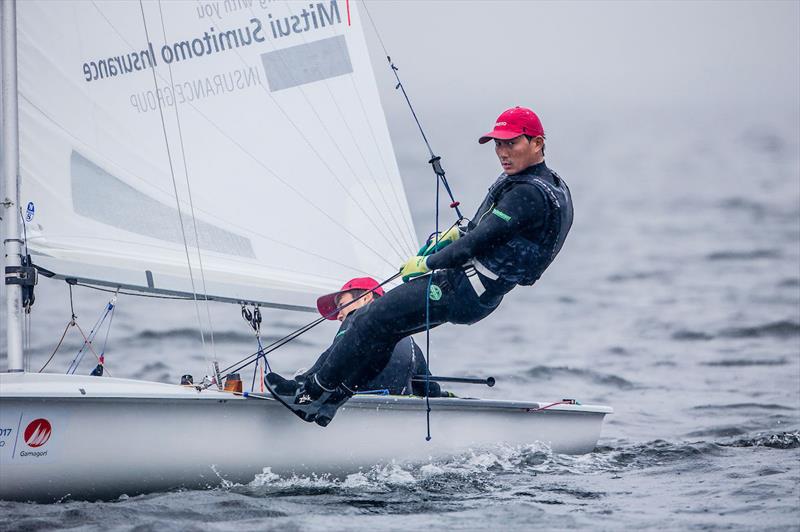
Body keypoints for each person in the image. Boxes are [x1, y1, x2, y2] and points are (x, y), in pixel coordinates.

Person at [266, 106, 573, 427]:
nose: (502, 152)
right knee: (384, 331)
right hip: (476, 292)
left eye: (511, 143)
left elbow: (474, 245)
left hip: (463, 288)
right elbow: (482, 231)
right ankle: (330, 402)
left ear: (537, 143)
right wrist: (452, 235)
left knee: (368, 318)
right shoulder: (543, 183)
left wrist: (425, 263)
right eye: (498, 144)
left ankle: (308, 394)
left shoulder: (528, 194)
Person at [296, 276, 442, 397]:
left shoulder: (355, 320)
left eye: (341, 306)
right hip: (399, 423)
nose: (339, 315)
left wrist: (301, 383)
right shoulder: (409, 341)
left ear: (366, 298)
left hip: (357, 418)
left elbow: (329, 361)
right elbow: (432, 391)